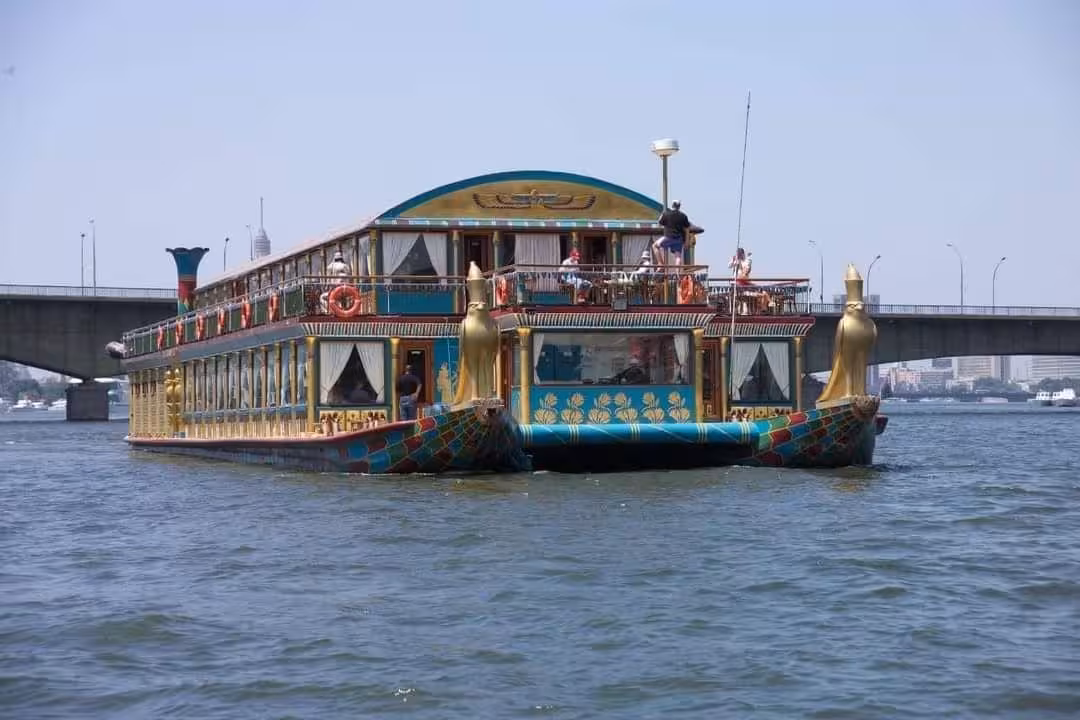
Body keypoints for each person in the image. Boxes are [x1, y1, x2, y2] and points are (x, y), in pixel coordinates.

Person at [654, 200, 692, 267]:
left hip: (668, 237)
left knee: (655, 246)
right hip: (679, 239)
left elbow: (659, 223)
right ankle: (678, 274)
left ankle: (660, 263)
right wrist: (687, 241)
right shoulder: (683, 216)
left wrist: (662, 215)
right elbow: (687, 229)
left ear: (672, 205)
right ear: (679, 206)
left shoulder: (666, 214)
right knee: (678, 257)